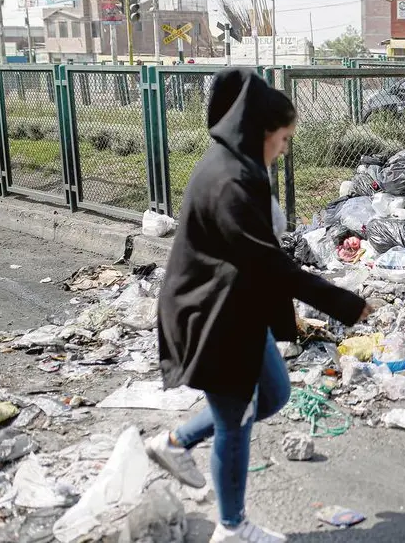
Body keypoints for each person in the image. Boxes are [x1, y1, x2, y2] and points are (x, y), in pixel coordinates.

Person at [146, 68, 372, 542]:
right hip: (212, 317)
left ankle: (175, 442)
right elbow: (269, 264)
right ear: (261, 132)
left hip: (237, 311)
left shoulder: (240, 166)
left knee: (272, 393)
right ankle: (231, 528)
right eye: (285, 138)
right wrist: (346, 304)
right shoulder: (230, 179)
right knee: (237, 418)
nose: (286, 148)